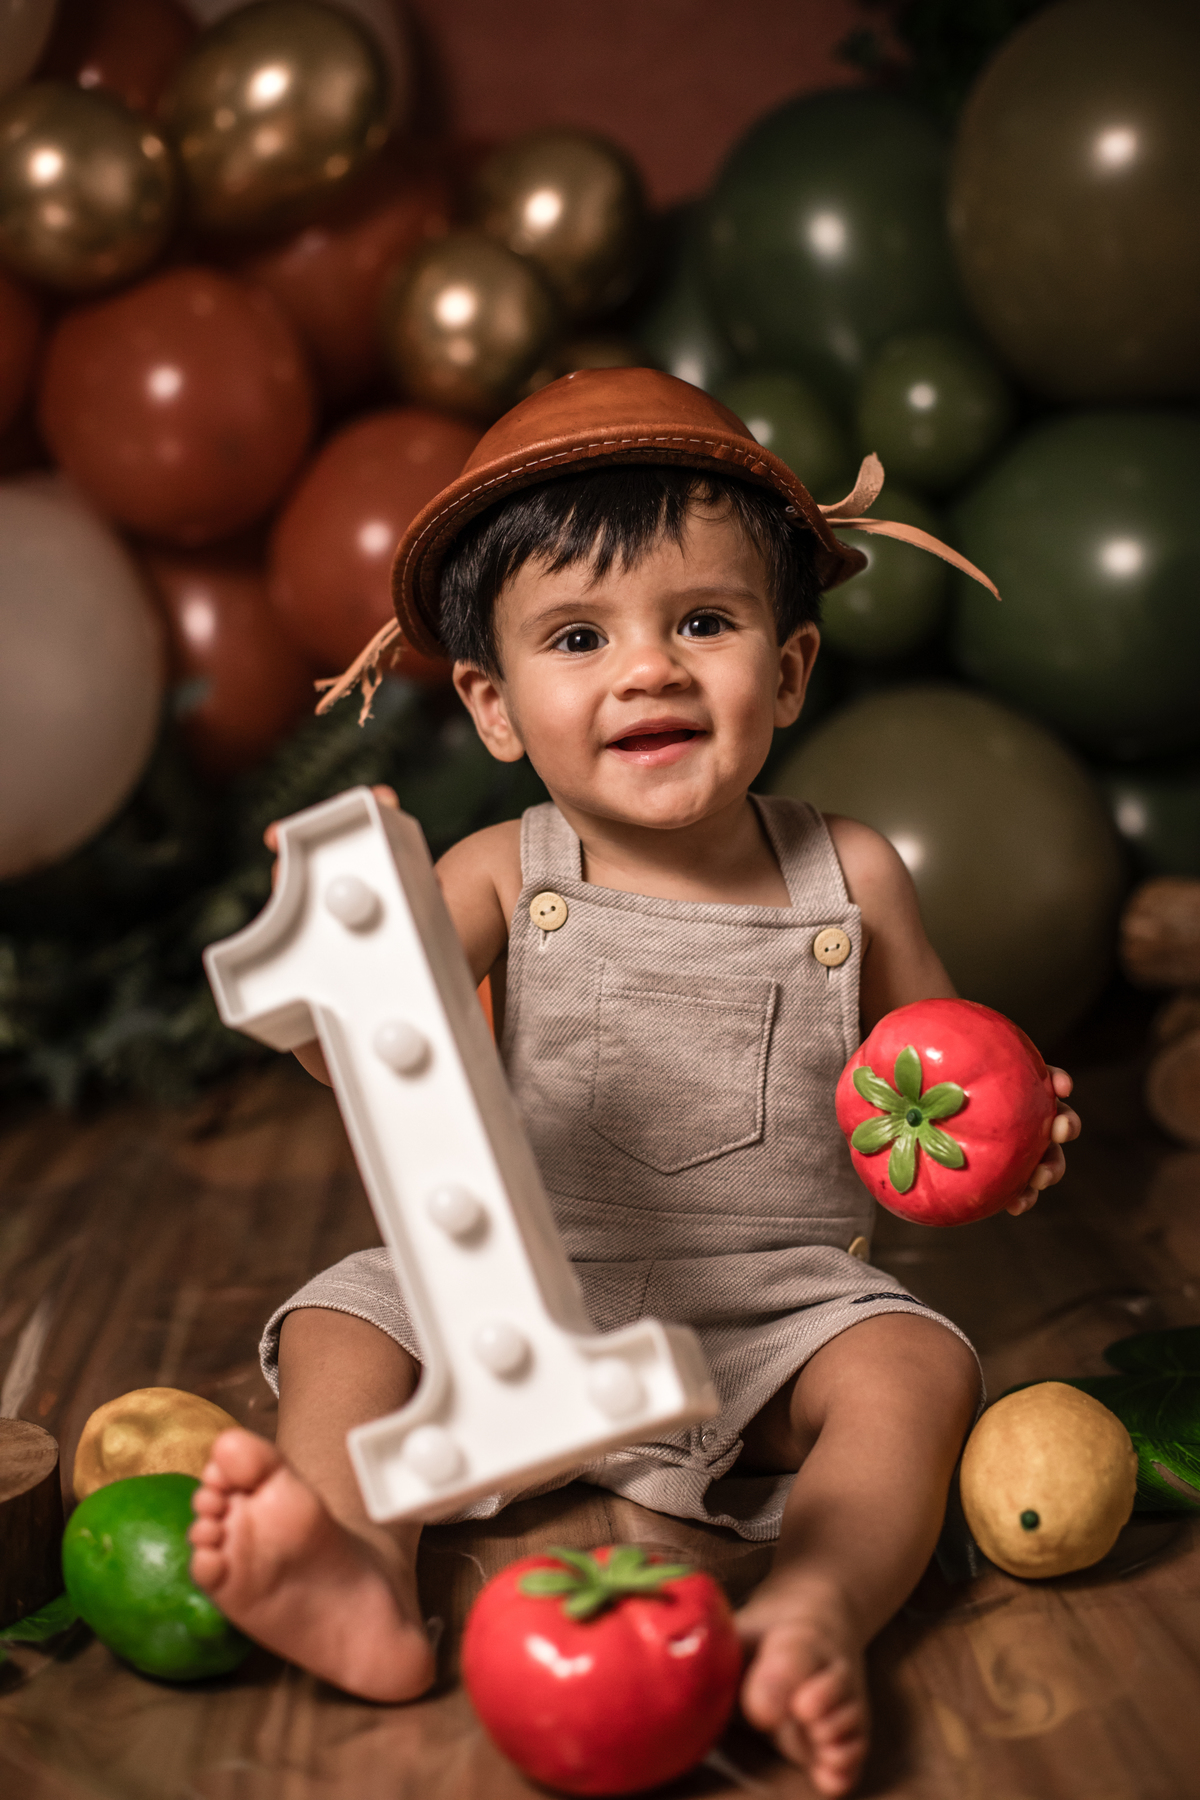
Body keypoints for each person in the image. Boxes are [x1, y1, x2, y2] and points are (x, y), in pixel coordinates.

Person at [188, 370, 1079, 1797]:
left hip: (769, 1307)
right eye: (580, 635)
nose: (649, 669)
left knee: (911, 1364)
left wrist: (1010, 1139)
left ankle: (817, 1608)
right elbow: (356, 1050)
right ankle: (353, 1564)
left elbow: (948, 1075)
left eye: (704, 624)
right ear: (492, 702)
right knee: (354, 1322)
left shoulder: (847, 872)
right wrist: (349, 967)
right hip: (524, 1292)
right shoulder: (500, 872)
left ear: (785, 673)